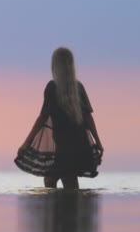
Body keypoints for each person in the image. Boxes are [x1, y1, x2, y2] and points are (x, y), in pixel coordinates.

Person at [14, 47, 104, 189]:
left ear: (55, 65)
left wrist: (26, 143)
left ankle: (66, 209)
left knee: (65, 180)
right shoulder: (78, 87)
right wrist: (97, 142)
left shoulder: (53, 87)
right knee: (55, 179)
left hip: (65, 146)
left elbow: (42, 118)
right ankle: (66, 209)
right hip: (80, 145)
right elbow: (88, 118)